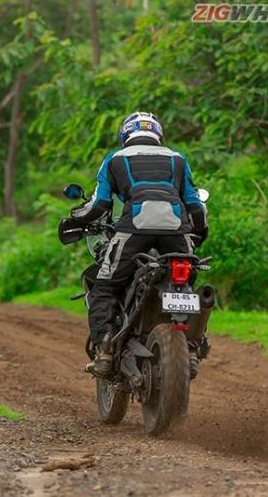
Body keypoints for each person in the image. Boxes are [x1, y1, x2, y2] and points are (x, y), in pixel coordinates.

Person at [71, 112, 208, 377]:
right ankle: (191, 347)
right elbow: (194, 206)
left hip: (134, 230)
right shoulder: (178, 159)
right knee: (187, 285)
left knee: (105, 286)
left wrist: (76, 216)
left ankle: (105, 348)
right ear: (159, 135)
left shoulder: (114, 159)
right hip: (176, 232)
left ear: (125, 136)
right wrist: (198, 234)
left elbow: (99, 204)